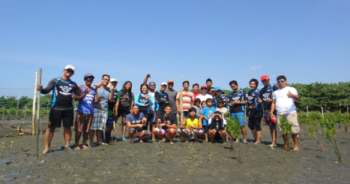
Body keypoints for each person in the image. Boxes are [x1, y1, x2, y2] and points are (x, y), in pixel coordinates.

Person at [37, 65, 79, 154]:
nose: (69, 72)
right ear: (64, 70)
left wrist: (76, 97)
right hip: (56, 108)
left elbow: (77, 96)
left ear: (73, 73)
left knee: (67, 127)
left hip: (68, 108)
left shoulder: (73, 84)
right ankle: (46, 147)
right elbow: (46, 90)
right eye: (68, 70)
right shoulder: (55, 81)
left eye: (71, 71)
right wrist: (40, 89)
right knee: (51, 127)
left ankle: (67, 146)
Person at [271, 75, 300, 151]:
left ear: (286, 81)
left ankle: (296, 146)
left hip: (290, 112)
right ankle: (286, 144)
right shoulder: (275, 92)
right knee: (283, 130)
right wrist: (271, 112)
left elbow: (297, 98)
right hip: (279, 113)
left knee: (294, 130)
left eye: (282, 81)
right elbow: (273, 103)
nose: (280, 83)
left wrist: (292, 95)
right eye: (278, 82)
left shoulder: (291, 89)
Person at [90, 74, 114, 146]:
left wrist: (112, 91)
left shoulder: (108, 90)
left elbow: (111, 100)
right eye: (104, 79)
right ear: (101, 80)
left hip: (105, 110)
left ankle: (98, 141)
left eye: (107, 80)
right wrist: (97, 99)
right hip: (96, 108)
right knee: (93, 126)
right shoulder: (97, 88)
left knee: (101, 127)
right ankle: (91, 142)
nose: (106, 81)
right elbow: (94, 99)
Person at [74, 73, 96, 150]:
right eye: (87, 79)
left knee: (87, 130)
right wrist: (85, 94)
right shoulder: (81, 87)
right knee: (79, 129)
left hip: (90, 112)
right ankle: (76, 144)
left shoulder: (93, 90)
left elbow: (95, 100)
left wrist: (99, 99)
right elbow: (79, 98)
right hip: (82, 111)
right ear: (84, 80)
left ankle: (84, 143)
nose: (89, 80)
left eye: (91, 79)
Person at [259, 75, 279, 147]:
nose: (265, 81)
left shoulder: (273, 88)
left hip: (274, 109)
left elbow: (279, 98)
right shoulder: (262, 90)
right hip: (266, 109)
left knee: (275, 126)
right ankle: (273, 141)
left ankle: (276, 142)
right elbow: (261, 98)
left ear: (268, 80)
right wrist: (260, 100)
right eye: (263, 80)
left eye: (266, 80)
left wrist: (271, 100)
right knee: (271, 126)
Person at [247, 79, 263, 144]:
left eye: (253, 84)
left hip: (258, 110)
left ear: (256, 85)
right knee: (250, 125)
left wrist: (255, 106)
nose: (252, 85)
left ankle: (258, 140)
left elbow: (260, 101)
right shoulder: (249, 92)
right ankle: (255, 138)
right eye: (251, 84)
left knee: (257, 125)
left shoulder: (258, 92)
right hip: (251, 110)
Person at [105, 78, 119, 144]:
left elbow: (117, 102)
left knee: (110, 126)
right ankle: (102, 139)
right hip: (104, 109)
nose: (114, 83)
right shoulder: (106, 89)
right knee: (102, 126)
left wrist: (116, 111)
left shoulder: (117, 92)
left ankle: (107, 139)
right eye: (112, 82)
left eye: (115, 82)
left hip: (111, 110)